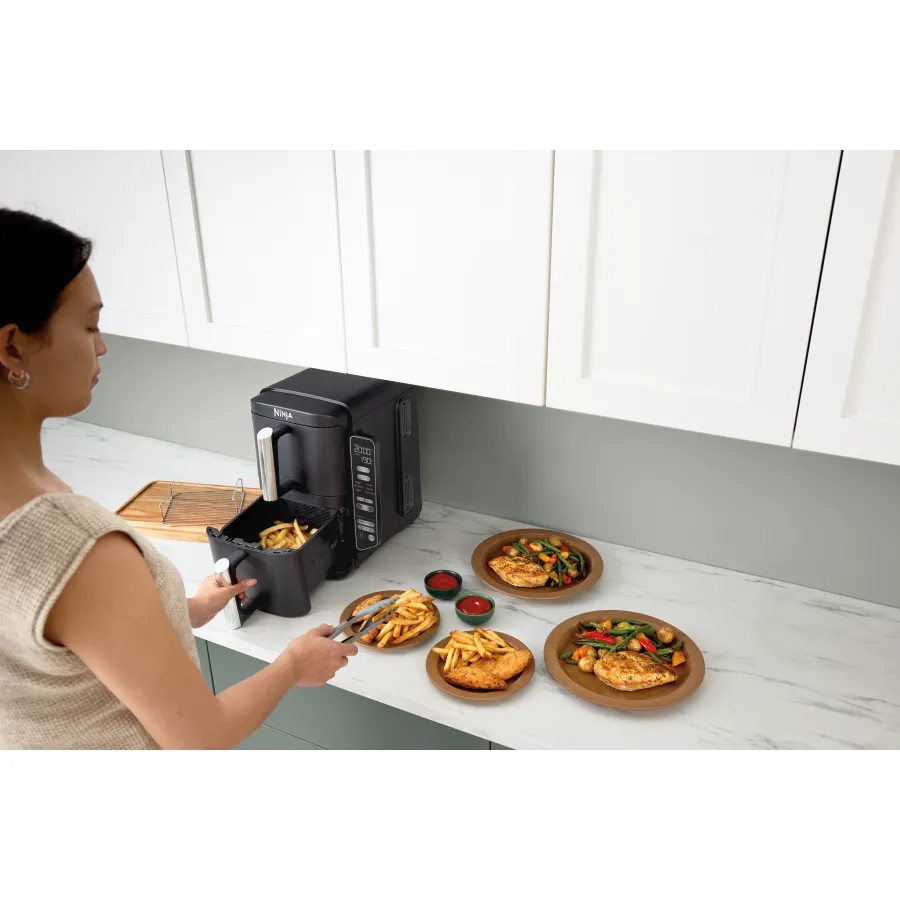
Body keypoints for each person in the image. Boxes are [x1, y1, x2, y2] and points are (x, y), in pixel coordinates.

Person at [0, 208, 357, 749]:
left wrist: (185, 609)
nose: (102, 345)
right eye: (90, 325)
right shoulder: (74, 546)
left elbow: (59, 644)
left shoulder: (31, 499)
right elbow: (200, 738)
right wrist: (291, 666)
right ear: (12, 346)